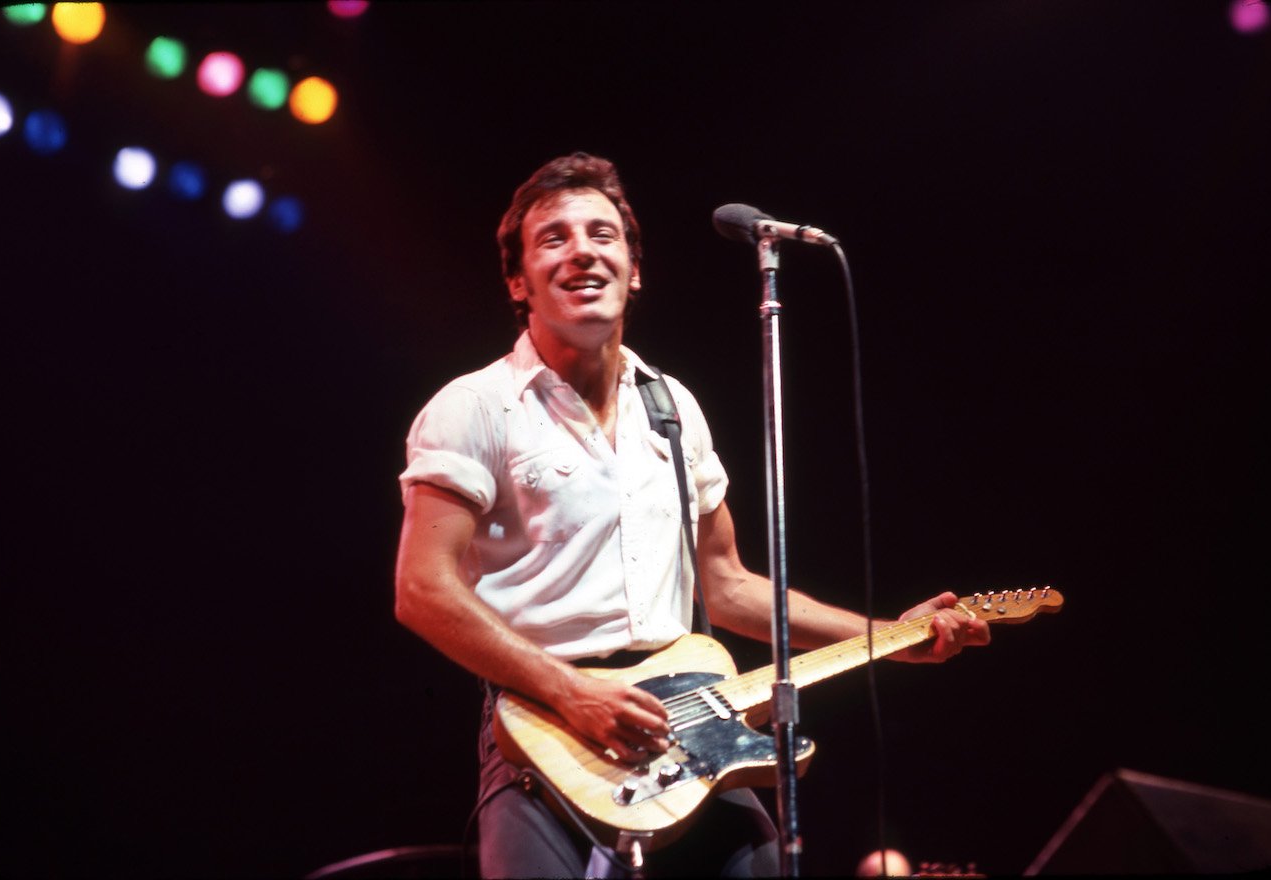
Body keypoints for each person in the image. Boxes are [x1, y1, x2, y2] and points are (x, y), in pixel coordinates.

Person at [393, 152, 991, 878]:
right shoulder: (474, 407)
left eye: (602, 234)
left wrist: (892, 637)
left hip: (689, 726)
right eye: (554, 238)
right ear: (518, 281)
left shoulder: (672, 408)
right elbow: (422, 590)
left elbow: (729, 587)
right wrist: (569, 691)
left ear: (634, 269)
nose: (582, 249)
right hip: (544, 731)